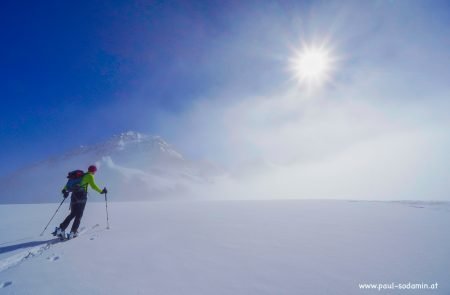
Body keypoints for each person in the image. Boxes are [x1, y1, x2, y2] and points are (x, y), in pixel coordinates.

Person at [53, 165, 107, 239]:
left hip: (74, 195)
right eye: (95, 171)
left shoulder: (81, 176)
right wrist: (101, 191)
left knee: (72, 213)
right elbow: (93, 186)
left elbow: (68, 185)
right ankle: (73, 232)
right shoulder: (90, 176)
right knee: (79, 215)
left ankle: (61, 229)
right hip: (82, 196)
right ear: (94, 171)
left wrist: (64, 190)